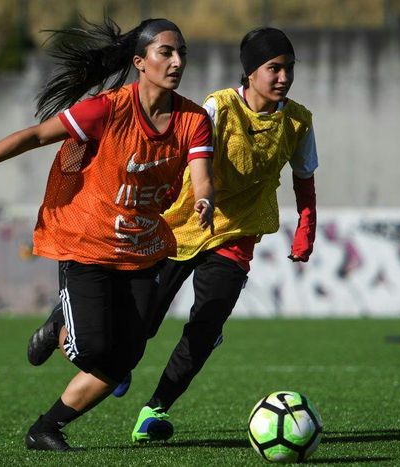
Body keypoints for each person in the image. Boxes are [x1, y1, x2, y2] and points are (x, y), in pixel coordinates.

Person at [0, 17, 215, 451]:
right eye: (166, 52)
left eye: (181, 54)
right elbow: (37, 134)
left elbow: (202, 174)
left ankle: (45, 429)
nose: (177, 61)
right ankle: (59, 323)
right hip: (87, 241)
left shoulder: (193, 119)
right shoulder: (109, 108)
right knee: (96, 350)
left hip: (141, 248)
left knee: (125, 359)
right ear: (140, 62)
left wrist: (205, 199)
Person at [126, 26, 318, 442]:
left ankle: (154, 410)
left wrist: (306, 228)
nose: (283, 76)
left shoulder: (299, 121)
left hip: (238, 233)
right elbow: (185, 156)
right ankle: (117, 361)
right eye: (274, 68)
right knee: (144, 317)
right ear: (250, 72)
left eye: (289, 68)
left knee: (206, 325)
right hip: (184, 223)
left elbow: (305, 178)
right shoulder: (219, 106)